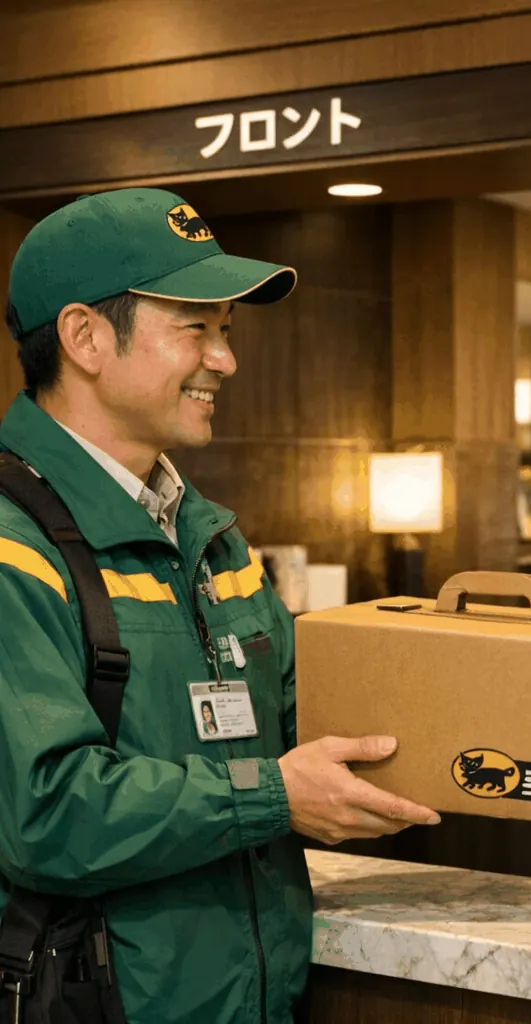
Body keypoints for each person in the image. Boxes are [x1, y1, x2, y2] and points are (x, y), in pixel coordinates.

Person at [0, 187, 442, 1023]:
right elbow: (48, 813)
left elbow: (299, 718)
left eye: (227, 332)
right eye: (194, 328)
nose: (225, 361)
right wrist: (273, 795)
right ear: (85, 337)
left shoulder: (209, 538)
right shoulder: (13, 545)